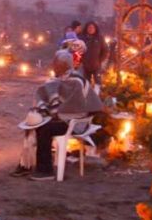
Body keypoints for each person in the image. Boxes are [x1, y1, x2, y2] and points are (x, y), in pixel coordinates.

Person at [12, 51, 93, 181]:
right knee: (32, 123)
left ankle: (45, 171)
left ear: (64, 65)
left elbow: (72, 107)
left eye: (56, 64)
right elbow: (51, 99)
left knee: (44, 128)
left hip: (75, 121)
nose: (53, 66)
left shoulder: (76, 81)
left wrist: (51, 111)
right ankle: (26, 163)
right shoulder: (61, 79)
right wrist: (41, 110)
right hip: (63, 118)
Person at [80, 21, 109, 88]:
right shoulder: (82, 39)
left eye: (92, 28)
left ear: (95, 29)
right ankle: (87, 96)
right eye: (89, 27)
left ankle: (97, 95)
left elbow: (105, 50)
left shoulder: (99, 38)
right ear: (86, 28)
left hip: (96, 65)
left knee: (98, 82)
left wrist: (100, 60)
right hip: (85, 65)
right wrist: (82, 60)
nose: (90, 29)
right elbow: (78, 51)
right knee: (86, 83)